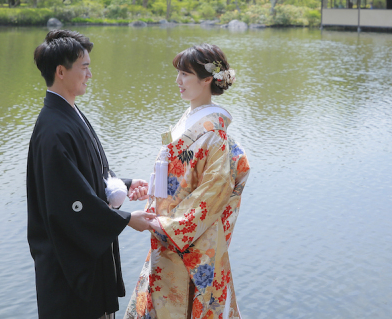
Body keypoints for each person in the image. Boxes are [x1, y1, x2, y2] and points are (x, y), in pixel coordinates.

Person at [27, 29, 156, 319]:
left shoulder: (69, 114)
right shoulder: (53, 129)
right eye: (84, 67)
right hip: (66, 266)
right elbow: (70, 202)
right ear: (61, 71)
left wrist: (123, 184)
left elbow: (83, 176)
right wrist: (125, 220)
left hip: (83, 257)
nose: (90, 74)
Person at [125, 44, 251, 319]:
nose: (178, 81)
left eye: (184, 74)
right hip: (167, 230)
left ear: (207, 79)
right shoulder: (191, 118)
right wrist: (154, 192)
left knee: (184, 303)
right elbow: (176, 174)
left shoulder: (214, 133)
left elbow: (213, 191)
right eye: (178, 73)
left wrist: (168, 224)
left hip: (189, 237)